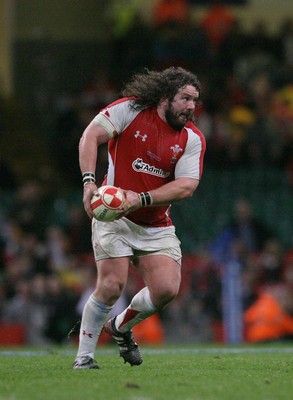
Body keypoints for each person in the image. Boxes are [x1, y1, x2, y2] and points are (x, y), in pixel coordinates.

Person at [73, 66, 206, 369]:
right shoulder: (130, 110)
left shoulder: (191, 138)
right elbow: (91, 135)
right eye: (185, 98)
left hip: (155, 224)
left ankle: (119, 327)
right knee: (111, 285)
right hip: (114, 215)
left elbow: (187, 186)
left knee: (166, 290)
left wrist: (141, 199)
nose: (191, 107)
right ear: (165, 97)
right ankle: (84, 358)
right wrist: (89, 181)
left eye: (194, 101)